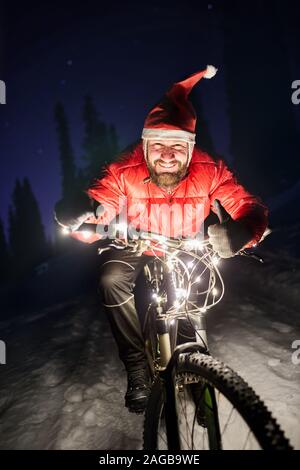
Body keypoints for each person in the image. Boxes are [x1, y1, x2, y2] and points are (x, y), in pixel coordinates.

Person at [55, 65, 268, 413]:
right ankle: (136, 365)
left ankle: (198, 369)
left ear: (191, 148)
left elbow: (246, 204)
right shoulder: (124, 169)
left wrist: (244, 229)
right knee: (111, 280)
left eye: (178, 146)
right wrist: (82, 211)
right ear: (144, 145)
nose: (167, 155)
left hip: (184, 245)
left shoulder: (210, 169)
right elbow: (100, 203)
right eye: (158, 145)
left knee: (189, 299)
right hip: (136, 242)